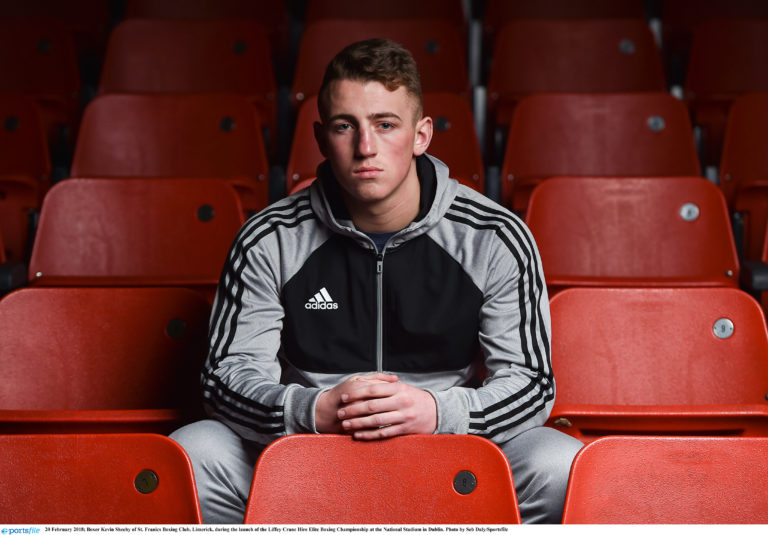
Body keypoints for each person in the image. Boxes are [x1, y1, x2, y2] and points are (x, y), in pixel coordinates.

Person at [171, 38, 583, 524]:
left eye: (386, 125)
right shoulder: (268, 239)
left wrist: (434, 413)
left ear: (421, 135)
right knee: (195, 453)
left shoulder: (494, 237)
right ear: (322, 139)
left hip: (451, 456)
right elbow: (226, 379)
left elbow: (531, 383)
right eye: (346, 127)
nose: (366, 148)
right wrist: (316, 409)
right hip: (307, 457)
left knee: (560, 466)